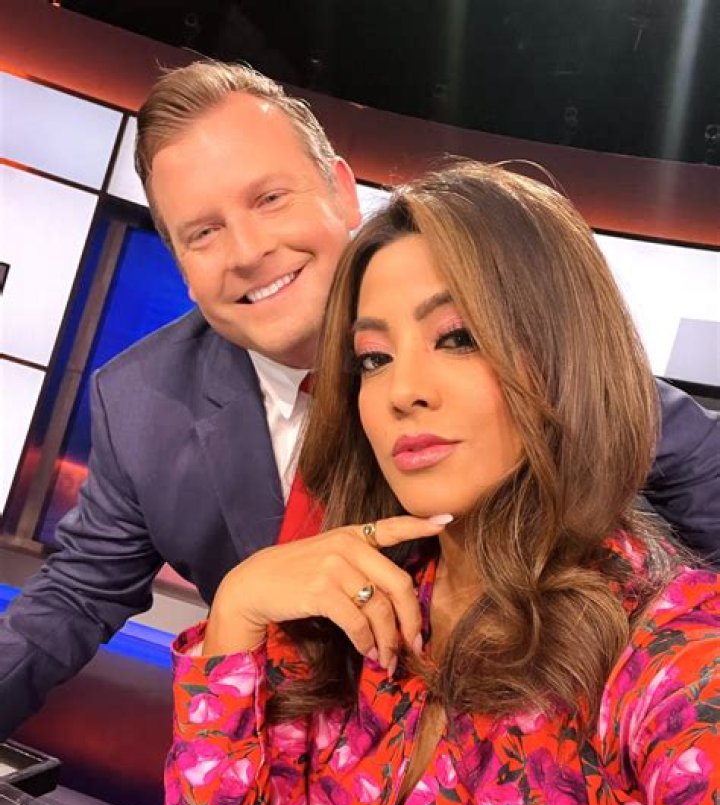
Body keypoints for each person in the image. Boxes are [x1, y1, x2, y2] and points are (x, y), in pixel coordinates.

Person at [0, 61, 717, 740]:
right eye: (204, 233)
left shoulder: (506, 335)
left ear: (343, 192)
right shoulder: (139, 403)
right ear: (183, 266)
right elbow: (72, 598)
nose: (247, 251)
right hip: (283, 775)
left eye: (269, 198)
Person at [164, 162, 720, 805]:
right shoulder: (355, 601)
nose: (403, 391)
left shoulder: (676, 657)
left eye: (457, 338)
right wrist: (236, 612)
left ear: (562, 358)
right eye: (373, 358)